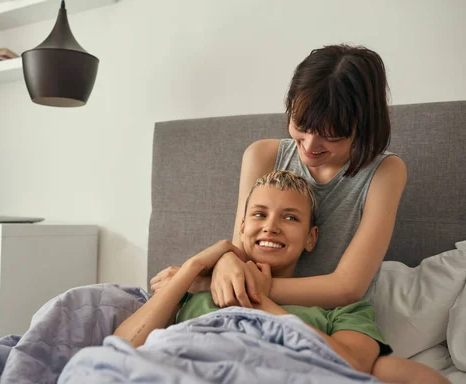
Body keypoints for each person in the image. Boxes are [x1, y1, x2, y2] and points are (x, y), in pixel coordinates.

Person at [120, 171, 453, 384]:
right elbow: (125, 345)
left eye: (290, 218)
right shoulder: (193, 290)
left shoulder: (341, 308)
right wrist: (196, 266)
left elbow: (354, 365)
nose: (271, 226)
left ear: (311, 238)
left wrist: (261, 300)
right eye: (259, 214)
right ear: (241, 227)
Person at [151, 44, 408, 310]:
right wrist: (224, 264)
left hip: (333, 320)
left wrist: (198, 280)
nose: (309, 145)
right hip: (253, 308)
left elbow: (347, 288)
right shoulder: (262, 155)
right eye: (301, 126)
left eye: (331, 136)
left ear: (363, 127)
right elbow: (243, 252)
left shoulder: (385, 172)